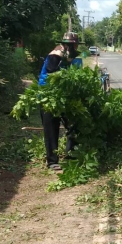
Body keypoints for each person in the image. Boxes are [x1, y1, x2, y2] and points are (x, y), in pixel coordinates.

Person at [38, 32, 81, 171]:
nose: (75, 47)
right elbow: (51, 71)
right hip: (49, 96)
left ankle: (71, 154)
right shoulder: (55, 55)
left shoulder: (72, 57)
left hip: (64, 96)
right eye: (73, 45)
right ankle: (52, 161)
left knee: (74, 123)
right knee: (51, 128)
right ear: (67, 45)